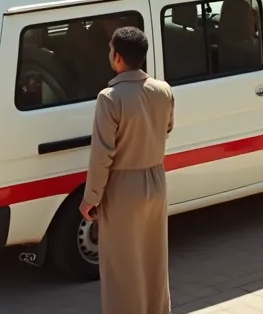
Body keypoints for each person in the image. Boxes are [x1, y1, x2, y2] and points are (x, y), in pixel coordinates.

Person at [80, 27, 175, 314]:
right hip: (156, 180)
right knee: (153, 260)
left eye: (111, 50)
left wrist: (91, 198)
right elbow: (166, 129)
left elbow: (102, 154)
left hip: (123, 187)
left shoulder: (109, 98)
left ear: (118, 57)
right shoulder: (164, 90)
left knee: (121, 266)